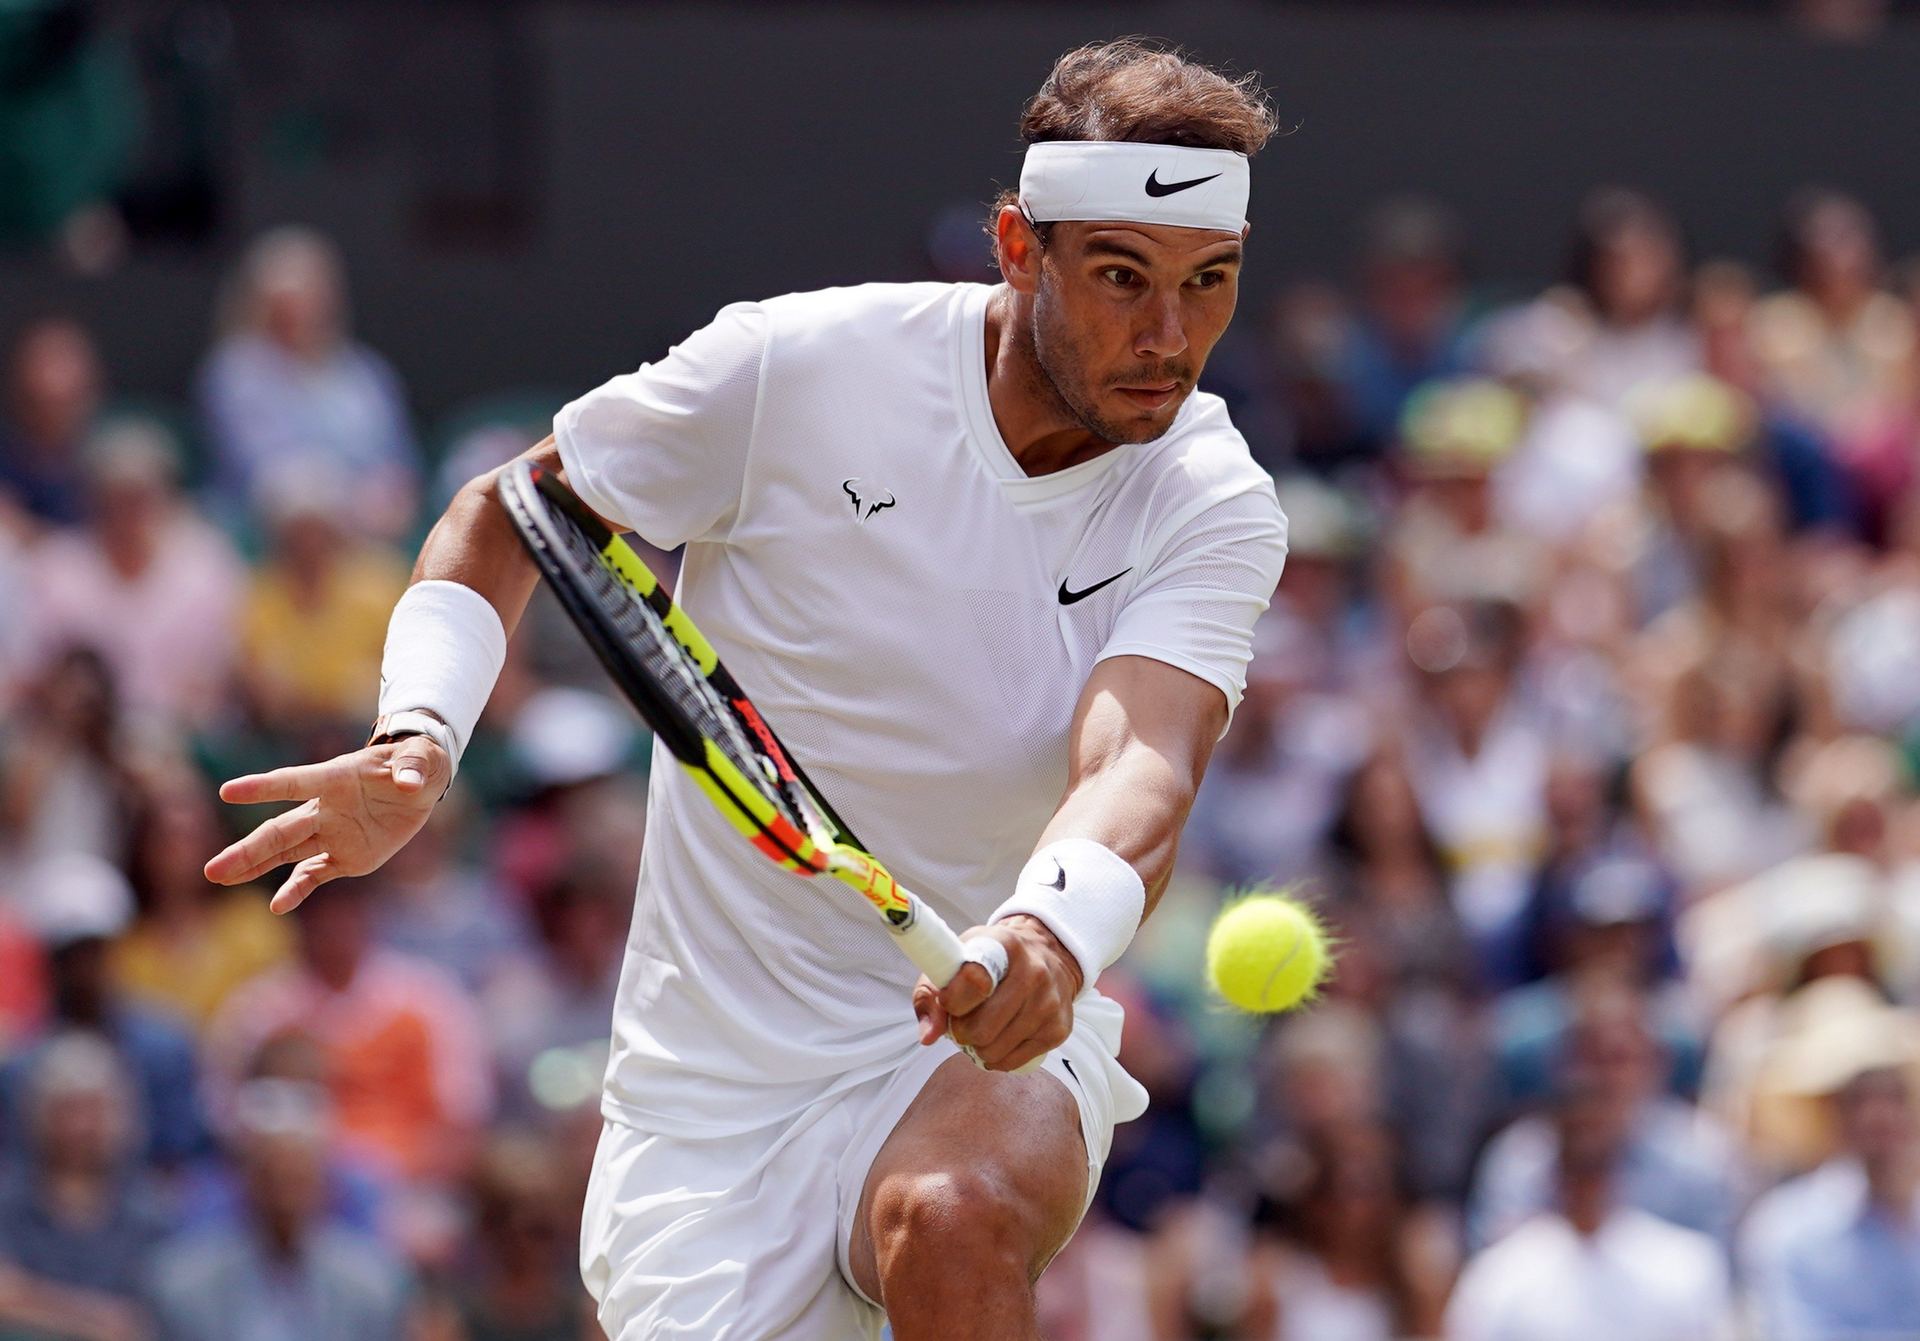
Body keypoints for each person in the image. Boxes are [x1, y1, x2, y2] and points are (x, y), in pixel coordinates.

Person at [206, 38, 1289, 1341]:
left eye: (1208, 284)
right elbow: (518, 511)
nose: (1169, 339)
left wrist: (1048, 937)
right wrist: (419, 740)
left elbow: (1139, 765)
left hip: (977, 1029)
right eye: (1124, 277)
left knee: (954, 1210)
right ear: (1019, 246)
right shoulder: (803, 369)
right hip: (712, 1092)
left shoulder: (1213, 499)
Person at [1445, 1076, 1732, 1341]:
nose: (1587, 1184)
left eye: (1597, 1164)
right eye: (1578, 1165)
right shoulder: (1499, 1277)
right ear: (1556, 1172)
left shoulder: (1687, 1266)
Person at [149, 1077, 416, 1341]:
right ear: (245, 1180)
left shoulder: (375, 1285)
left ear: (324, 1183)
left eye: (297, 1178)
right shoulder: (183, 1282)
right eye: (272, 1177)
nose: (284, 1197)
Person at [197, 226, 420, 538]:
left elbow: (398, 460)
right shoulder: (235, 371)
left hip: (367, 534)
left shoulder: (365, 373)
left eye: (307, 301)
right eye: (283, 306)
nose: (298, 315)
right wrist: (340, 498)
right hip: (268, 535)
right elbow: (259, 470)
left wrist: (388, 496)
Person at [1739, 993, 1920, 1339]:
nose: (1880, 1117)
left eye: (1893, 1095)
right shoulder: (1786, 1229)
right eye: (1860, 1100)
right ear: (1830, 1114)